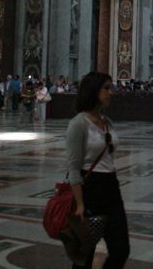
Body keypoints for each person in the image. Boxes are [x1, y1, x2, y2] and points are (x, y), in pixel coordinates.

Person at [65, 72, 129, 269]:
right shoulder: (78, 124)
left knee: (121, 249)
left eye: (112, 88)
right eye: (107, 88)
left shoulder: (107, 122)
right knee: (85, 254)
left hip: (111, 188)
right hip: (89, 189)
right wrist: (80, 204)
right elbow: (74, 168)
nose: (111, 92)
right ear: (94, 91)